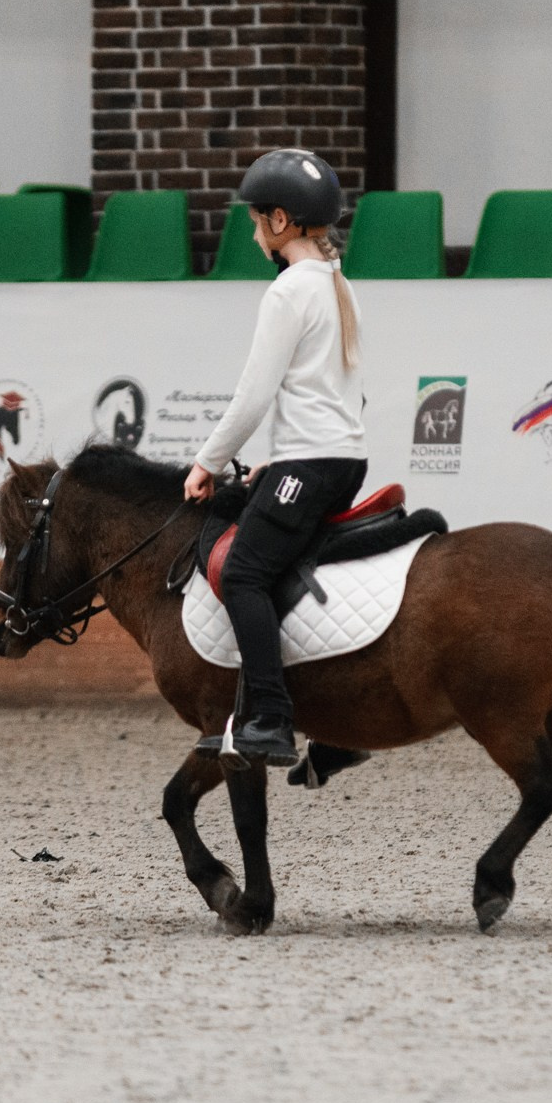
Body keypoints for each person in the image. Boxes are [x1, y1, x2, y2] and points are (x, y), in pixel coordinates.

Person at [183, 148, 369, 767]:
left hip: (312, 463)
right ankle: (339, 725)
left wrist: (207, 463)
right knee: (295, 569)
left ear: (282, 221)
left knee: (243, 573)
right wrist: (276, 464)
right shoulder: (338, 285)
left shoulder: (289, 291)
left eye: (257, 216)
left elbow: (253, 396)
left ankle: (269, 719)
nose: (252, 226)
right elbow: (337, 391)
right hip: (340, 461)